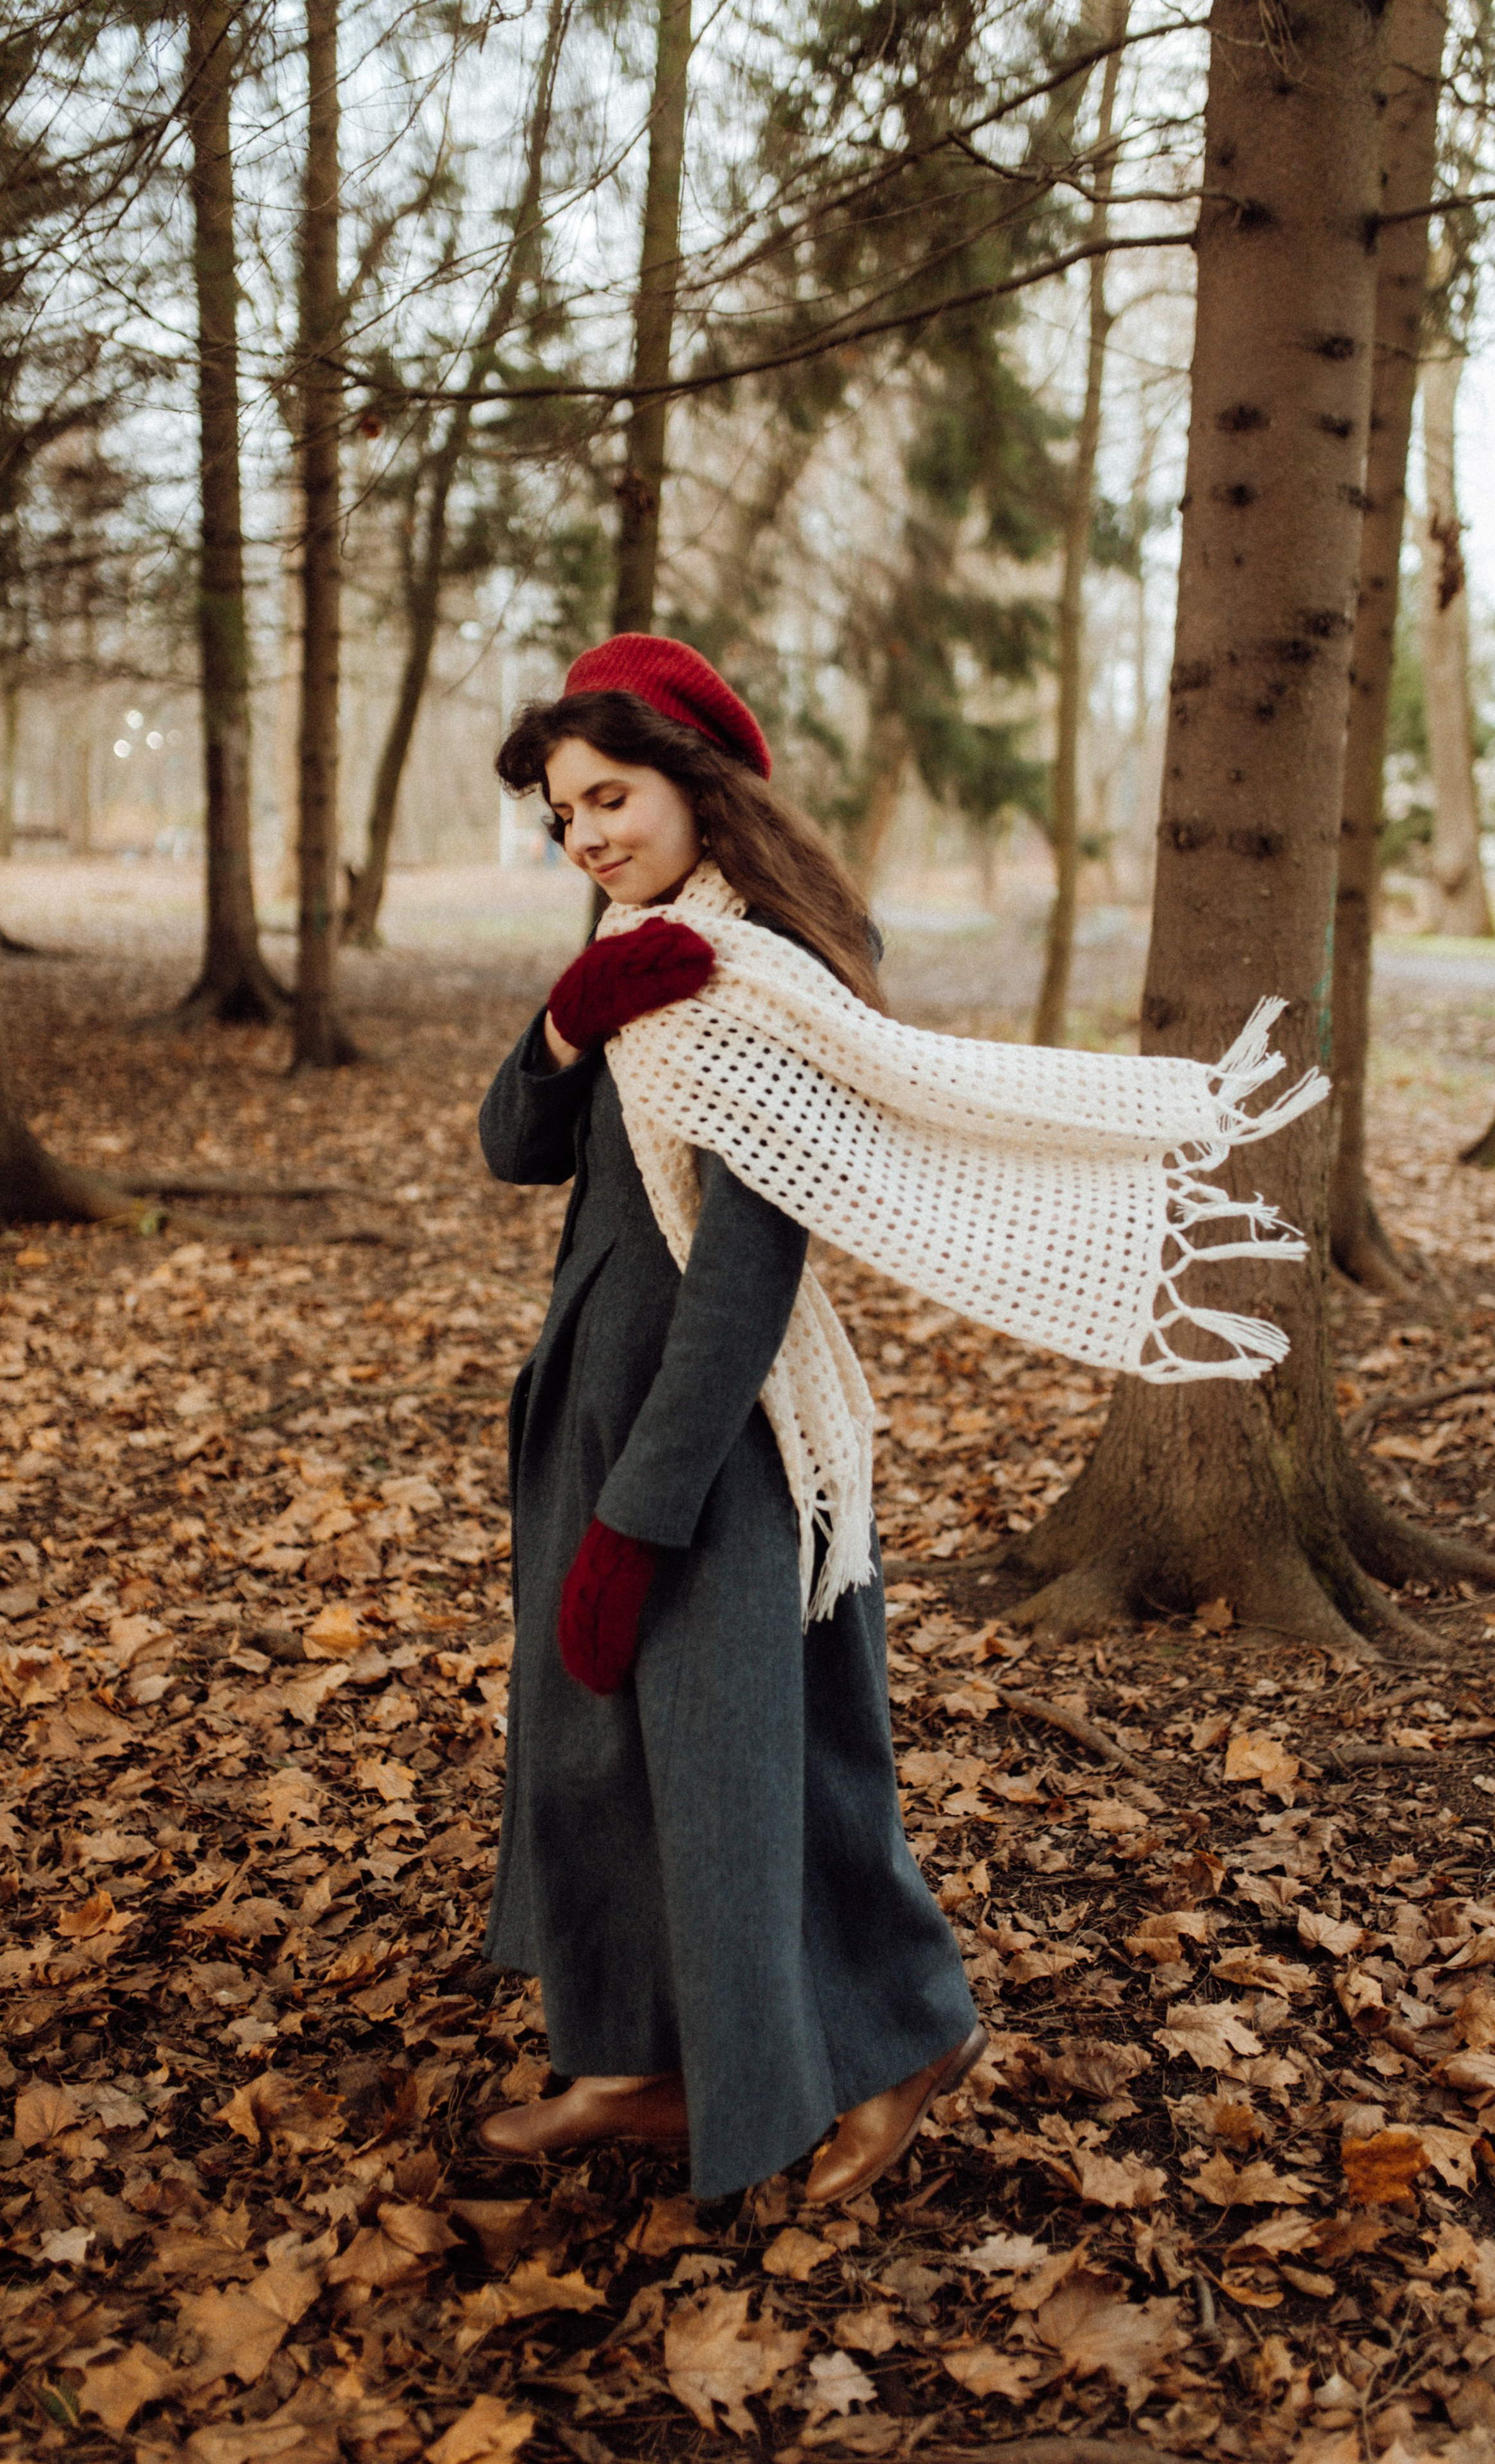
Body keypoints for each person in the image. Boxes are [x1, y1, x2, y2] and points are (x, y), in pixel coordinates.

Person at [477, 633, 985, 2205]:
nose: (589, 838)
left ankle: (892, 2038)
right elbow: (512, 1143)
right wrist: (569, 1020)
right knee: (596, 1754)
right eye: (566, 816)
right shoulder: (639, 965)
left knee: (752, 1759)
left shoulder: (762, 978)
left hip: (711, 1442)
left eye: (610, 796)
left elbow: (747, 1279)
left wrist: (646, 1514)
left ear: (695, 780)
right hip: (594, 1407)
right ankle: (631, 2061)